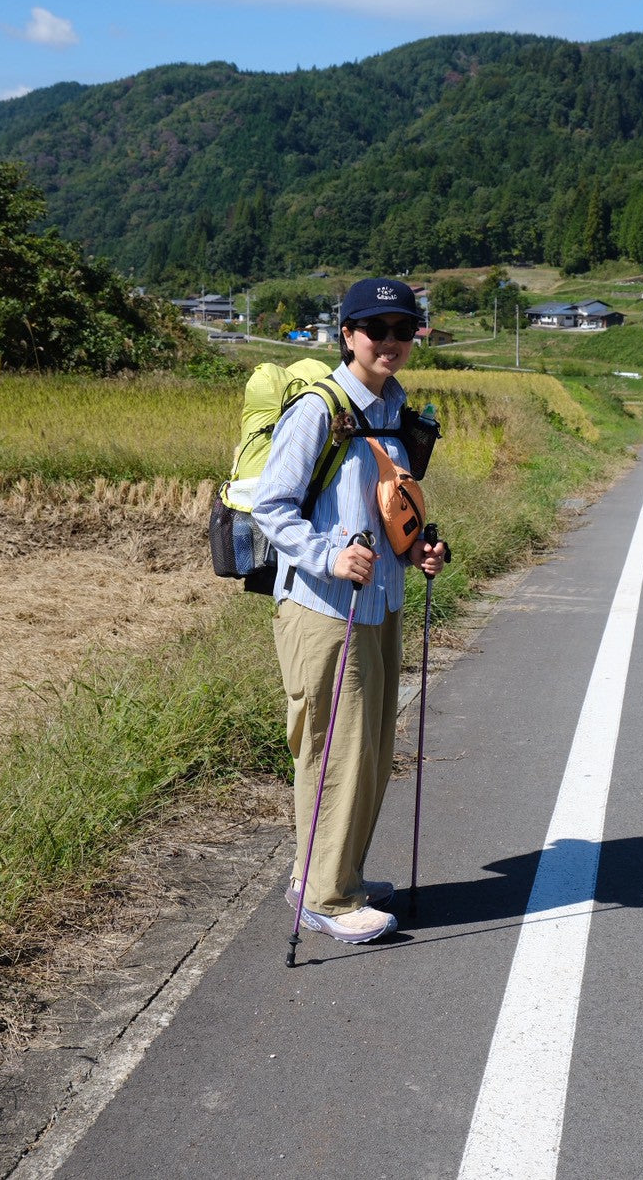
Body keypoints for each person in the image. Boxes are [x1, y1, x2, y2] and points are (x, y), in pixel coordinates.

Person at [252, 278, 447, 944]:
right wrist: (330, 554)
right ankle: (328, 897)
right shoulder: (318, 408)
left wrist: (420, 547)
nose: (390, 340)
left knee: (369, 749)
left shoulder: (393, 410)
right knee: (335, 750)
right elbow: (273, 505)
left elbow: (388, 504)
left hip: (380, 601)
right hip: (325, 606)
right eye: (375, 328)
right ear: (347, 335)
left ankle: (339, 875)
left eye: (402, 328)